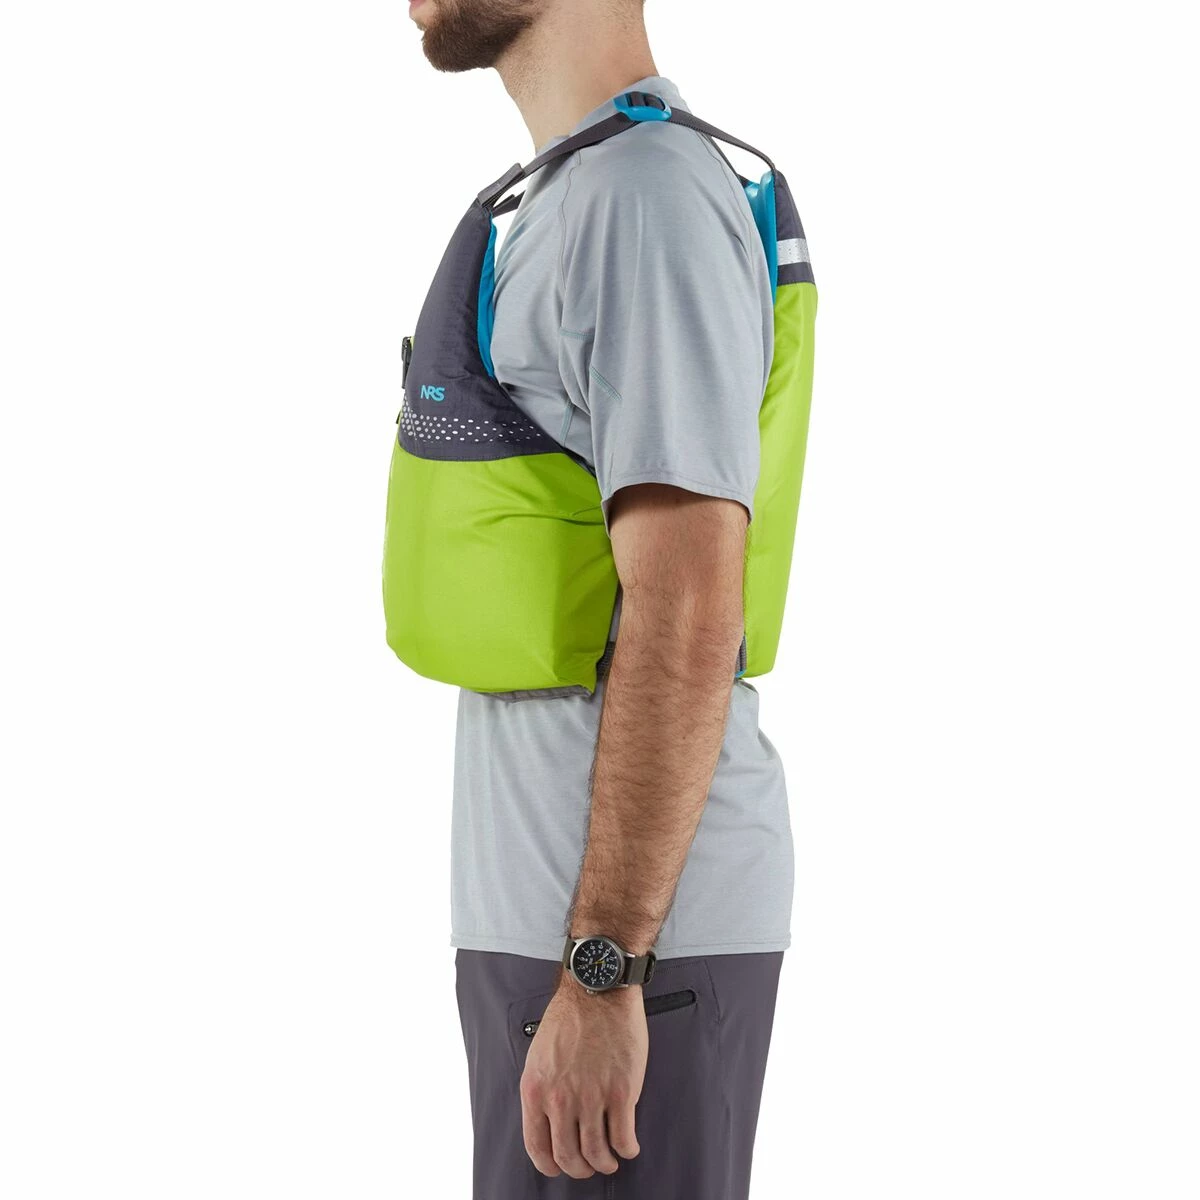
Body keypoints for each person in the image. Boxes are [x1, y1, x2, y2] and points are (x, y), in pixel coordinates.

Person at [408, 2, 795, 1196]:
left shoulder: (643, 200)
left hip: (626, 952)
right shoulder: (573, 197)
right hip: (559, 933)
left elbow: (689, 607)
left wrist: (604, 965)